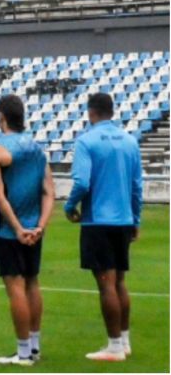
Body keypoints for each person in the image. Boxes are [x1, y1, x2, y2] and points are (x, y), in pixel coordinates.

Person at [64, 93, 143, 362]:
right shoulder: (130, 142)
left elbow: (82, 183)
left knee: (106, 284)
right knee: (120, 282)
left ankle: (114, 347)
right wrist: (136, 219)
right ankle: (125, 340)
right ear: (112, 111)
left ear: (90, 112)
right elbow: (136, 186)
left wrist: (68, 206)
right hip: (123, 219)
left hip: (98, 221)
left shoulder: (86, 141)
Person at [0, 94, 53, 366]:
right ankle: (34, 347)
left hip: (8, 231)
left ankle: (24, 352)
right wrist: (39, 226)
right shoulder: (38, 149)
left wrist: (16, 228)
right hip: (34, 229)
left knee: (15, 286)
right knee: (32, 283)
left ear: (2, 117)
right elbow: (49, 192)